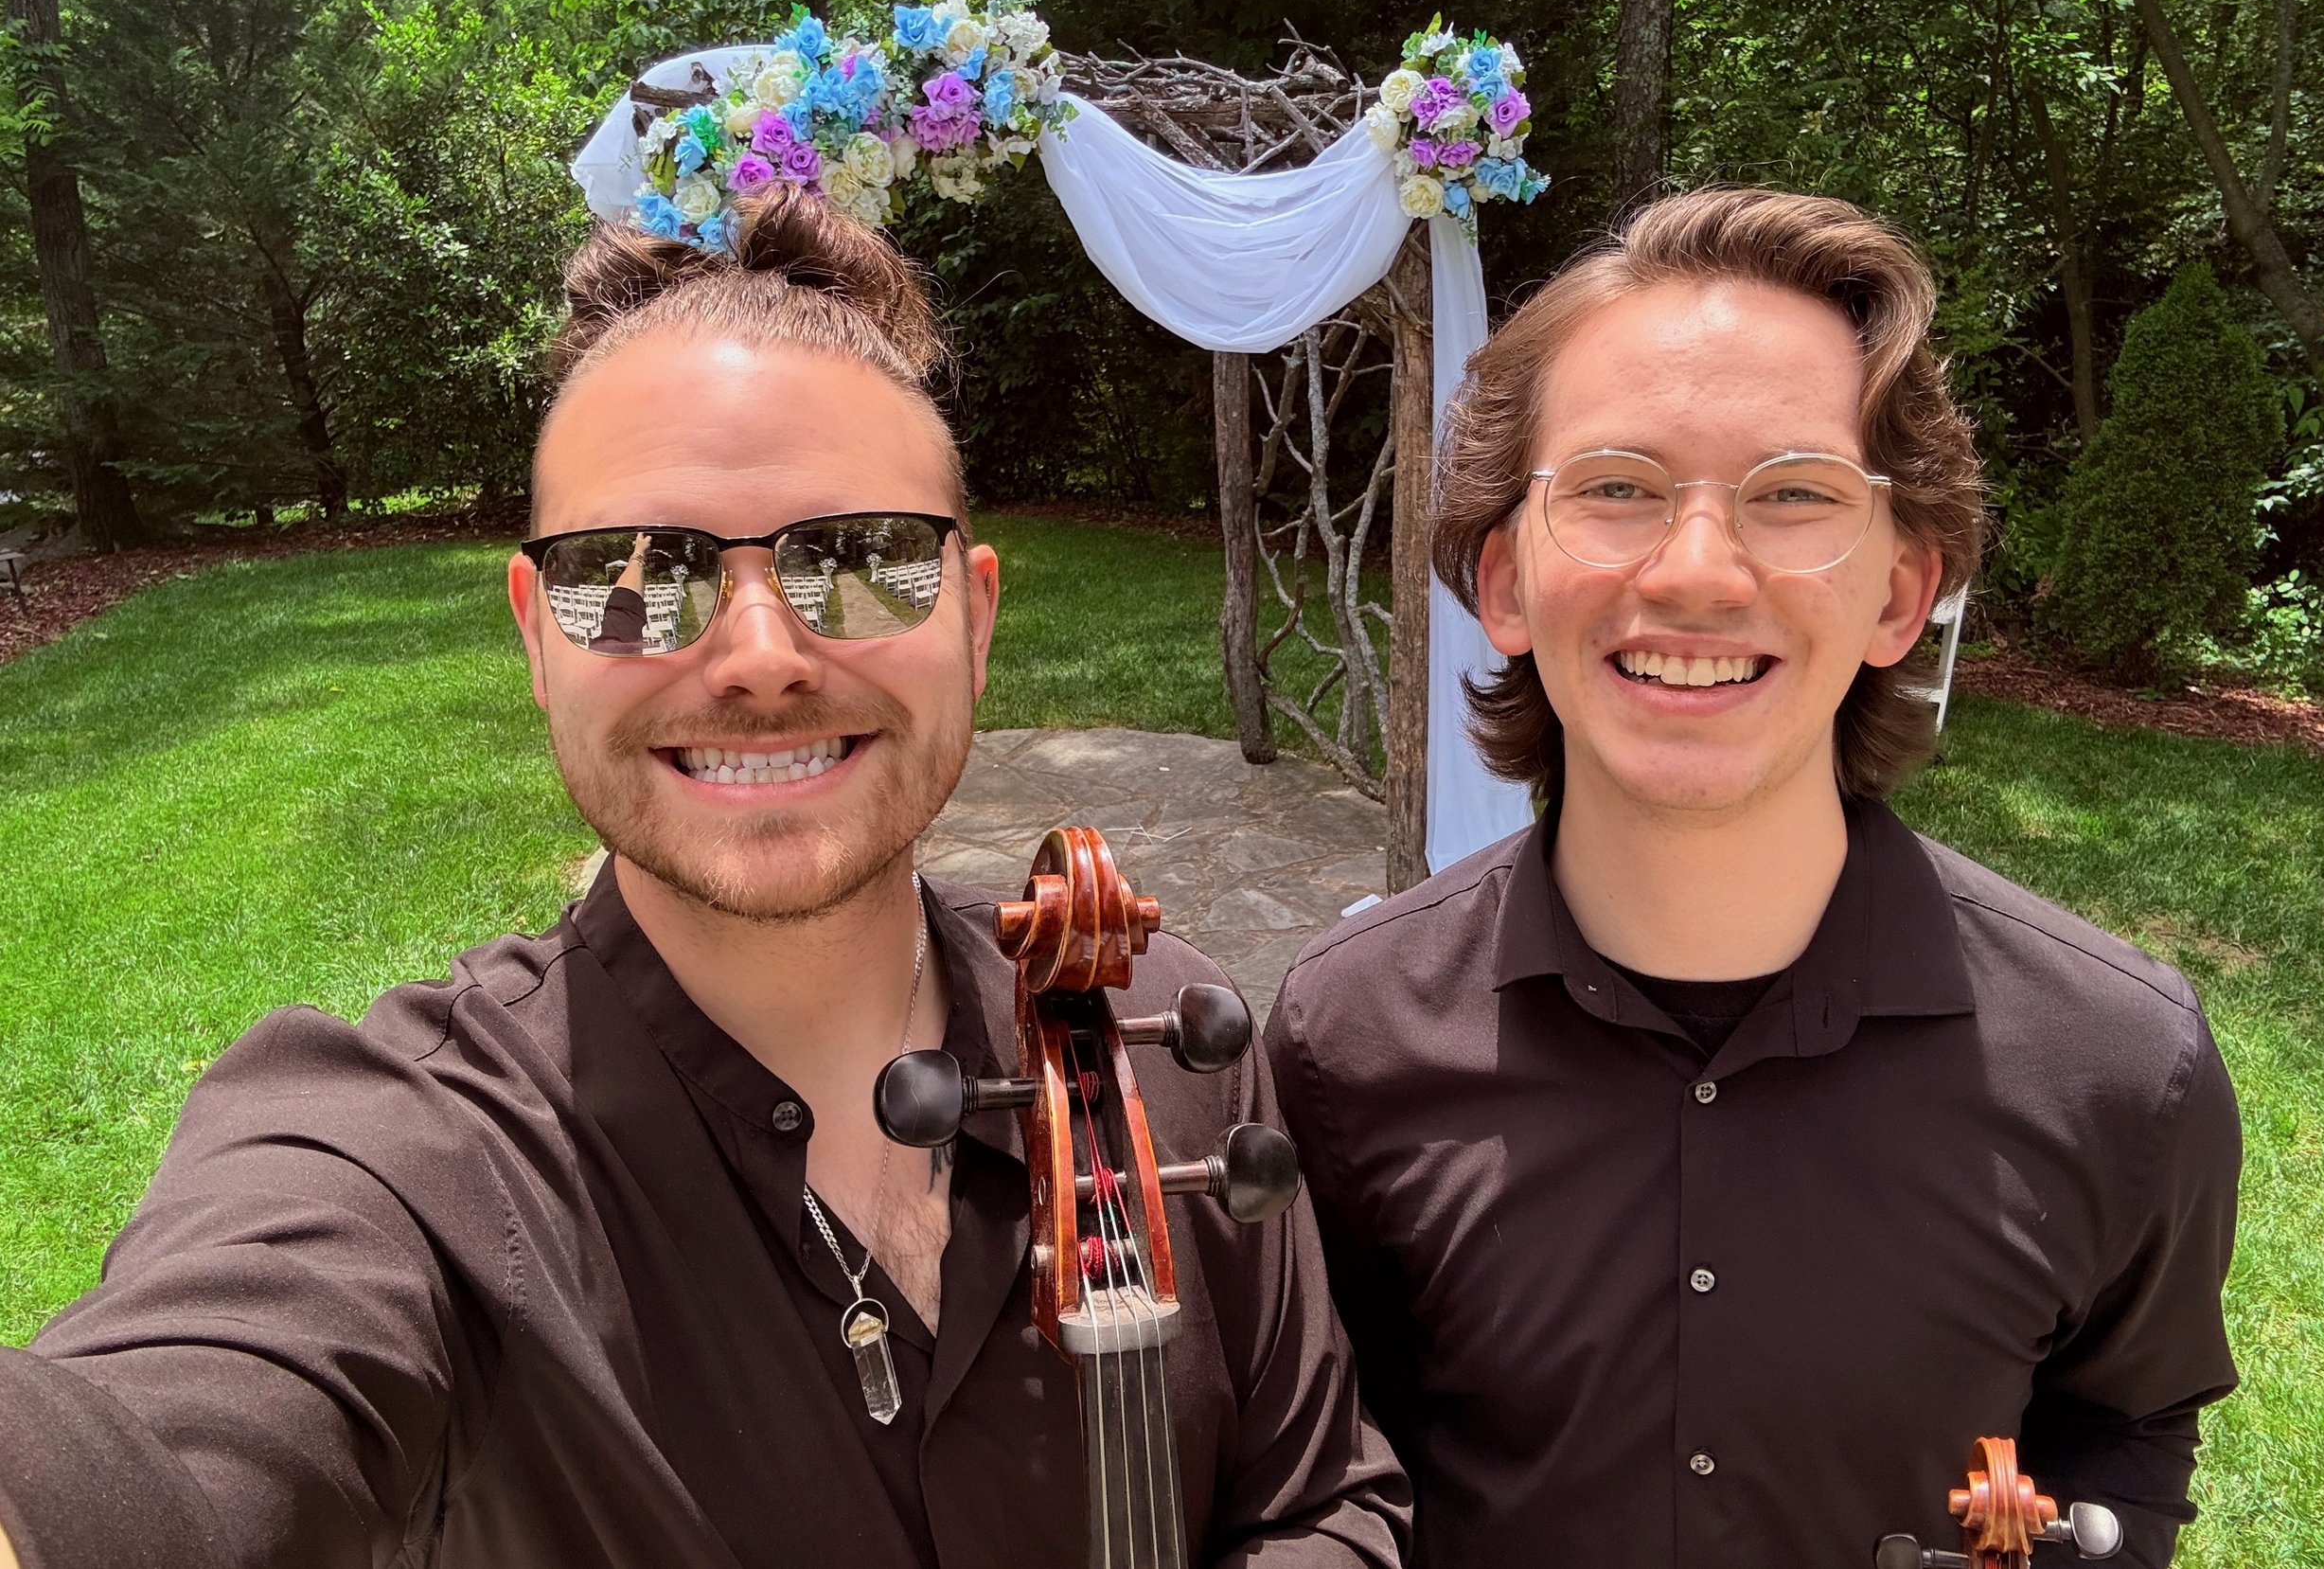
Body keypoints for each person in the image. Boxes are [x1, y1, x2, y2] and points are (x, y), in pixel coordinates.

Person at [0, 187, 1407, 1569]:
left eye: (858, 561)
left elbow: (1319, 1500)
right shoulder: (414, 1152)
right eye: (635, 573)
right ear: (538, 640)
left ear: (973, 617)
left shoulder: (1172, 1035)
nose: (760, 656)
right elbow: (172, 1430)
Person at [1265, 187, 2240, 1568]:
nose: (1701, 572)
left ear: (1902, 595)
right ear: (1502, 580)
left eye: (1793, 494)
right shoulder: (1342, 1038)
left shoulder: (2126, 1067)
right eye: (1615, 487)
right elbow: (1322, 1456)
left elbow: (2128, 1429)